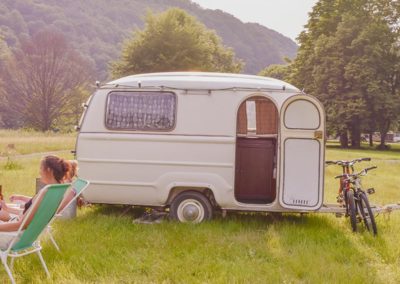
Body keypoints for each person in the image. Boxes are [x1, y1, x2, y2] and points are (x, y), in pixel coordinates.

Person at [0, 155, 70, 248]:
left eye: (41, 168)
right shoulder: (56, 191)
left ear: (48, 170)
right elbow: (28, 217)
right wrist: (8, 209)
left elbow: (21, 224)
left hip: (14, 237)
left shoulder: (45, 193)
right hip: (26, 236)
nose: (39, 171)